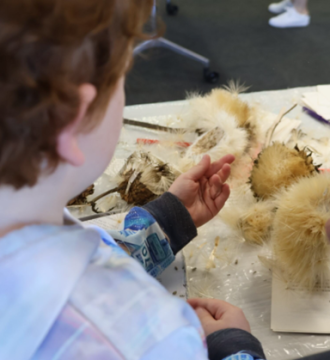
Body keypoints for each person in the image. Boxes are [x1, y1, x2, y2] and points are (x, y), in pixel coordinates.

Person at [0, 1, 267, 360]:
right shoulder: (148, 337)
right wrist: (233, 346)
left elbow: (87, 253)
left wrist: (167, 222)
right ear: (74, 122)